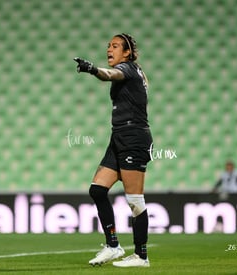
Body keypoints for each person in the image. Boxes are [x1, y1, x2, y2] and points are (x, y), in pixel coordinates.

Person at [74, 33, 152, 268]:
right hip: (118, 136)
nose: (109, 49)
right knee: (97, 190)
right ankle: (113, 245)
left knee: (135, 201)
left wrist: (91, 69)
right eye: (108, 45)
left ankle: (141, 256)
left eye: (115, 46)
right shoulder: (134, 71)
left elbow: (109, 74)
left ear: (127, 52)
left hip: (133, 136)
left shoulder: (126, 68)